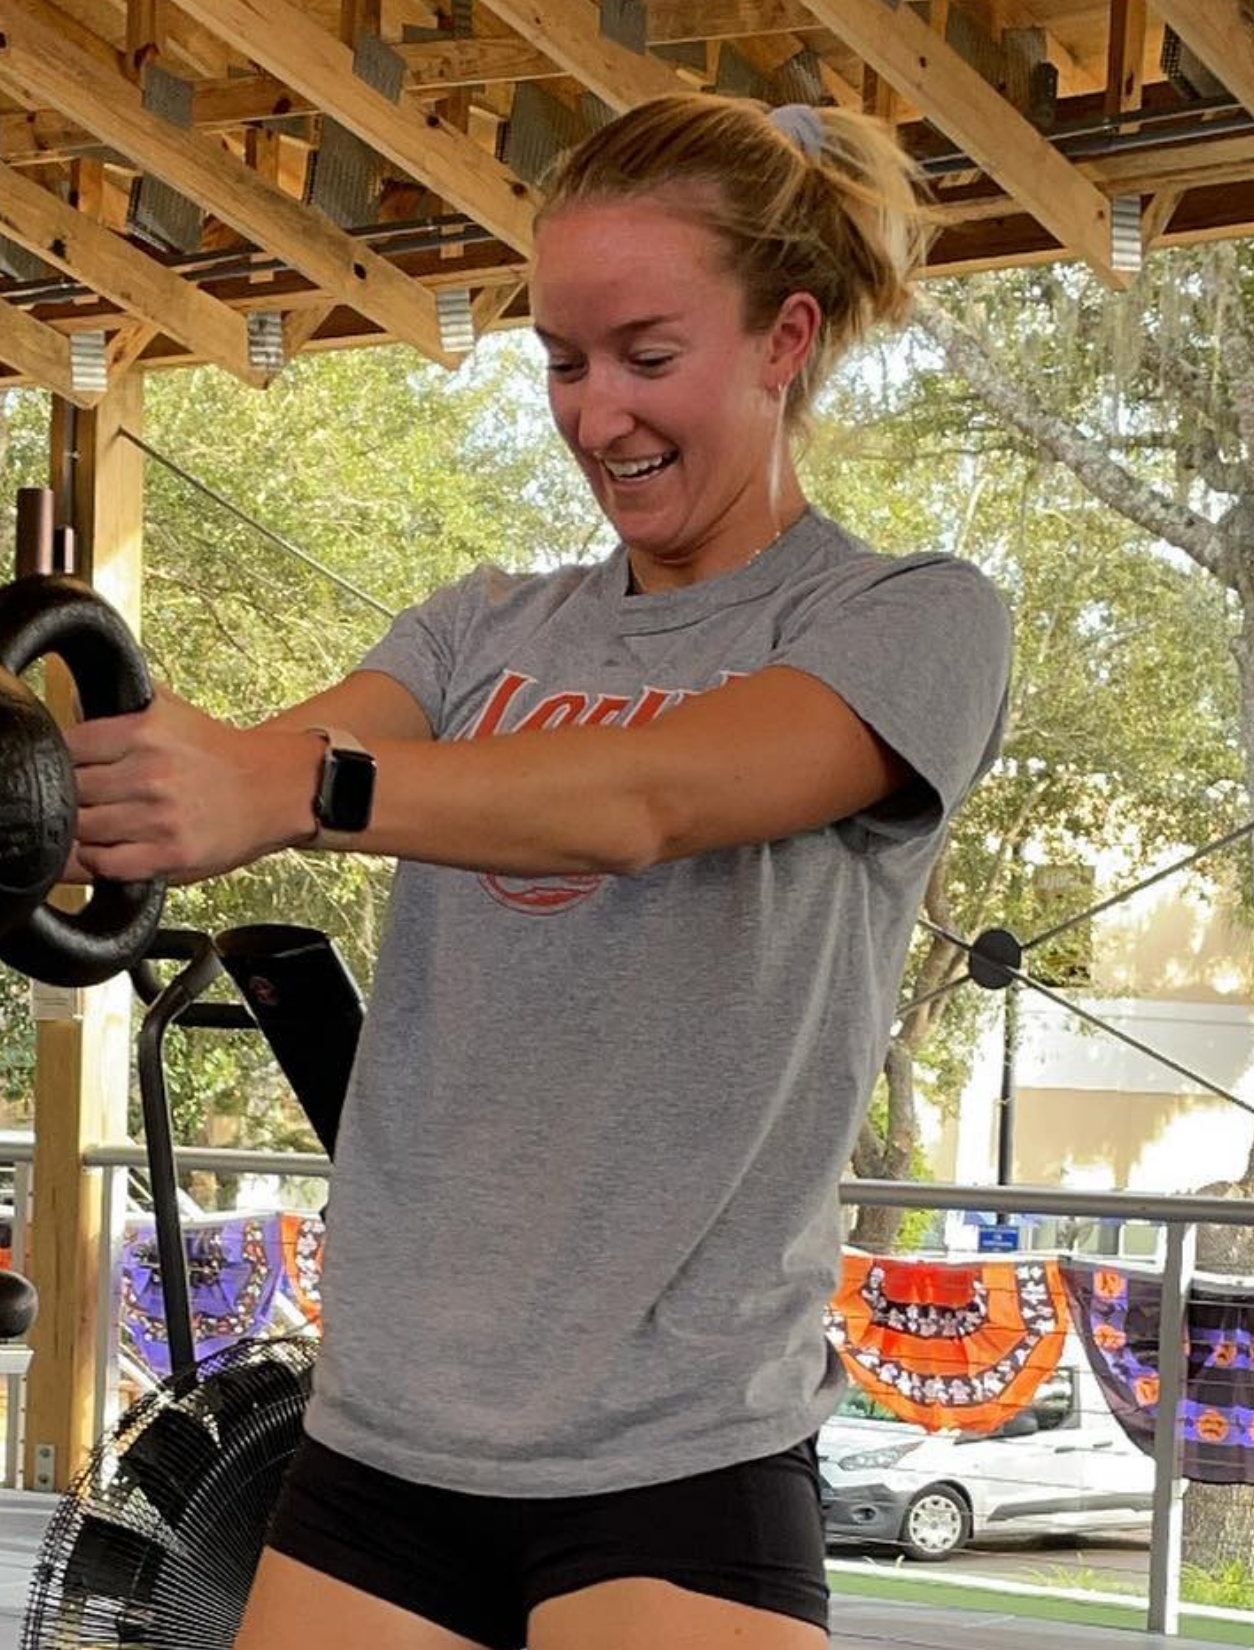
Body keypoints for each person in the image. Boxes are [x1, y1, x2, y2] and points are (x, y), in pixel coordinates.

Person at [68, 93, 1013, 1650]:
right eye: (563, 364)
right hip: (381, 1439)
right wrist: (92, 785)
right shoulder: (476, 631)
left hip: (674, 1451)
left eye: (648, 357)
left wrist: (291, 782)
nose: (595, 416)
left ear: (785, 340)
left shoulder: (902, 620)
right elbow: (254, 774)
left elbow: (644, 797)